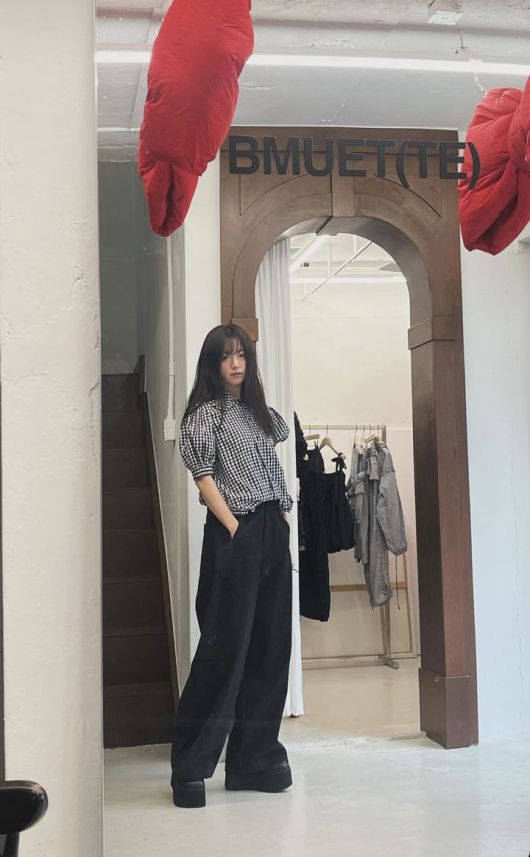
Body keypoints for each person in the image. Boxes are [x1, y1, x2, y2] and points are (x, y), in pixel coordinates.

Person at [170, 323, 294, 808]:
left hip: (271, 528)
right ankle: (190, 767)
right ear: (213, 363)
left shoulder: (259, 414)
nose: (236, 364)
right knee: (223, 652)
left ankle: (254, 759)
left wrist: (276, 527)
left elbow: (275, 449)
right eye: (226, 356)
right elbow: (203, 477)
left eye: (241, 355)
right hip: (235, 532)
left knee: (270, 648)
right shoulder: (206, 415)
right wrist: (236, 529)